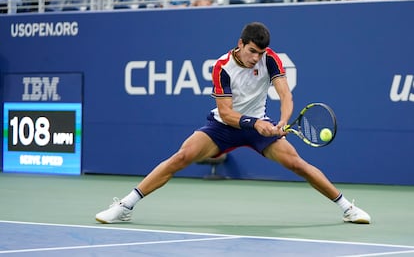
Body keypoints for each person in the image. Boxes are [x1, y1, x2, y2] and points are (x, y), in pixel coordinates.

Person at [95, 22, 371, 225]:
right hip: (224, 128)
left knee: (298, 164)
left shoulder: (270, 60)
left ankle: (347, 208)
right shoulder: (222, 67)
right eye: (252, 51)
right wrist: (254, 123)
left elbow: (286, 94)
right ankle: (125, 206)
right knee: (182, 156)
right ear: (240, 43)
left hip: (260, 127)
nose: (256, 58)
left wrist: (283, 120)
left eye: (261, 53)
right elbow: (226, 113)